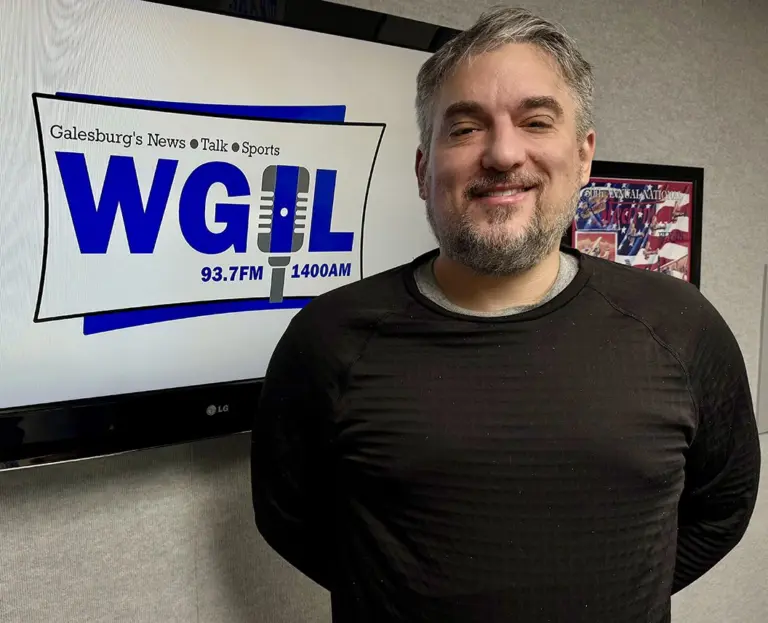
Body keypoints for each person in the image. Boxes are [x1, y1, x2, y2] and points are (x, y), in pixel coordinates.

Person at [251, 6, 761, 623]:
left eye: (536, 121)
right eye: (464, 128)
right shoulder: (328, 338)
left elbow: (723, 505)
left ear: (584, 157)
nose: (502, 153)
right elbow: (289, 518)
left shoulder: (681, 328)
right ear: (423, 168)